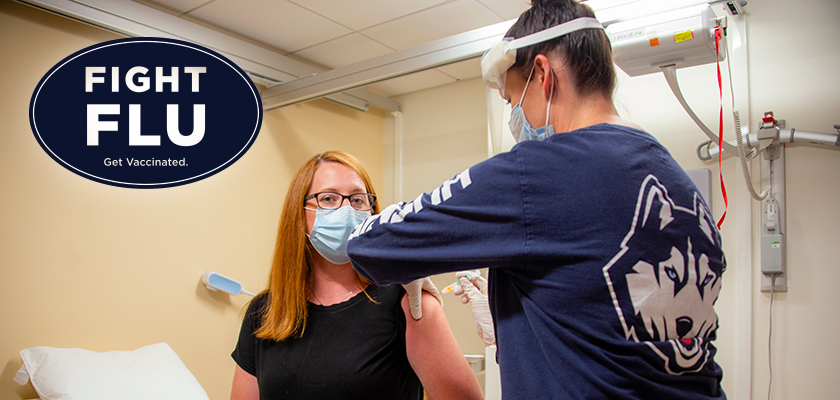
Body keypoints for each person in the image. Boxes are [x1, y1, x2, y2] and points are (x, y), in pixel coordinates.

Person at [346, 0, 727, 399]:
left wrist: (409, 253)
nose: (515, 117)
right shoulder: (679, 184)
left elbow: (370, 245)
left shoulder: (540, 171)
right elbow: (619, 320)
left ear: (543, 74)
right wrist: (514, 325)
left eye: (513, 99)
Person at [230, 151, 483, 400]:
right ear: (299, 212)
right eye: (328, 198)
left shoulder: (407, 300)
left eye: (358, 200)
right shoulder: (264, 313)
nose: (346, 210)